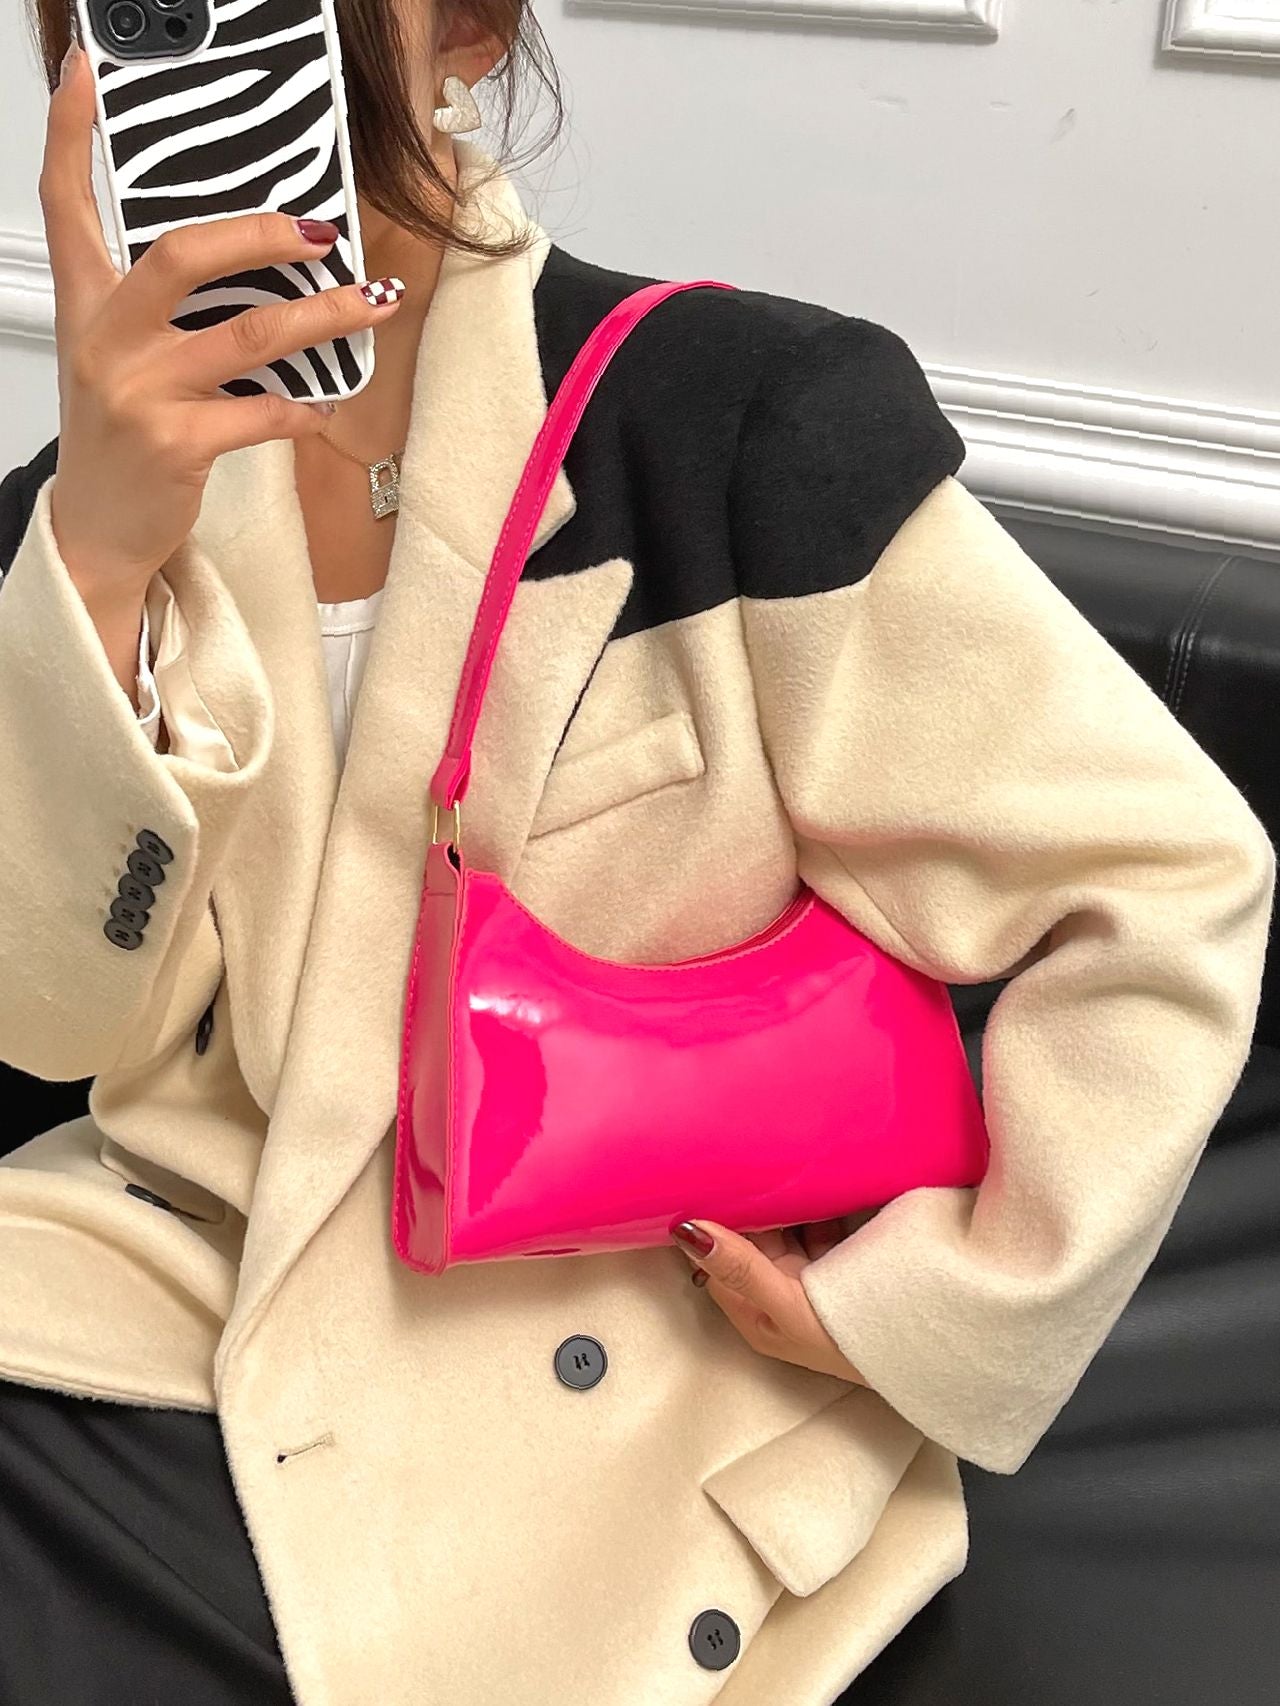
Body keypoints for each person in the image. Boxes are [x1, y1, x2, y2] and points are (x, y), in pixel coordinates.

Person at [0, 3, 1273, 1702]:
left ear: (468, 28)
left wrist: (936, 1307)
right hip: (163, 1295)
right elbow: (55, 1026)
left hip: (602, 1372)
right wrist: (97, 558)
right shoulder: (83, 507)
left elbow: (1165, 877)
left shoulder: (732, 424)